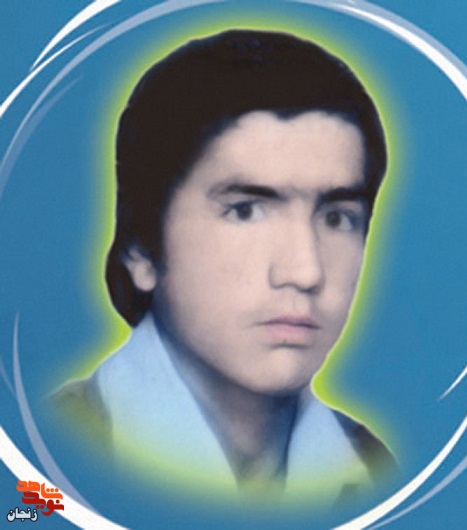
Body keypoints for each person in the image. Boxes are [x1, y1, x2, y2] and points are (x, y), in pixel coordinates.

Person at [56, 29, 395, 502]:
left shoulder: (378, 472)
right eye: (245, 211)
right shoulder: (51, 447)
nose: (305, 272)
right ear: (140, 247)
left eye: (337, 218)